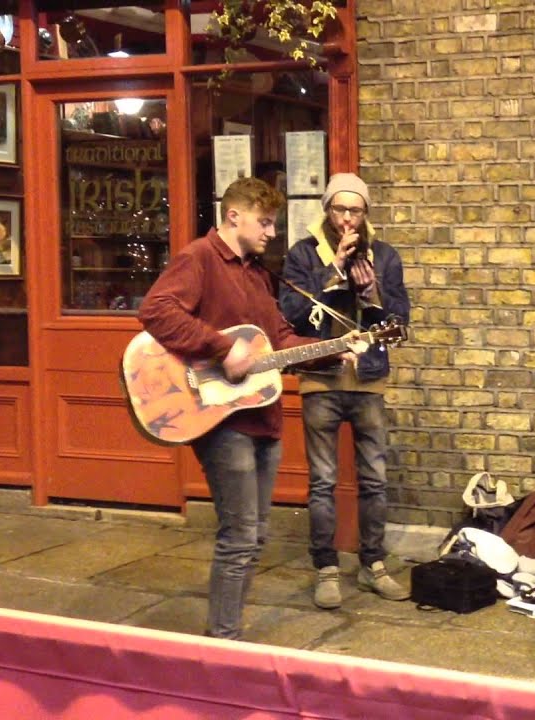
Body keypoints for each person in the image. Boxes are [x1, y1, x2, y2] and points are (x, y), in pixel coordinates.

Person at [138, 177, 361, 639]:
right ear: (233, 215)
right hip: (221, 418)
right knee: (239, 537)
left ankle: (227, 634)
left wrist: (334, 348)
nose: (272, 232)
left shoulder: (258, 273)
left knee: (256, 537)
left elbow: (279, 342)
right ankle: (225, 643)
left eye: (275, 223)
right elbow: (156, 310)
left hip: (263, 416)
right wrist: (221, 348)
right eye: (266, 222)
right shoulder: (199, 258)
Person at [279, 172, 412, 609]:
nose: (348, 219)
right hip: (322, 379)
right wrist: (333, 270)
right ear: (327, 210)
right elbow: (291, 317)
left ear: (366, 213)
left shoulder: (386, 256)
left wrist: (374, 293)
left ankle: (373, 565)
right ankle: (327, 568)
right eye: (340, 209)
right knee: (323, 482)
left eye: (356, 210)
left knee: (374, 480)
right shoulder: (302, 254)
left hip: (369, 380)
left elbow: (401, 321)